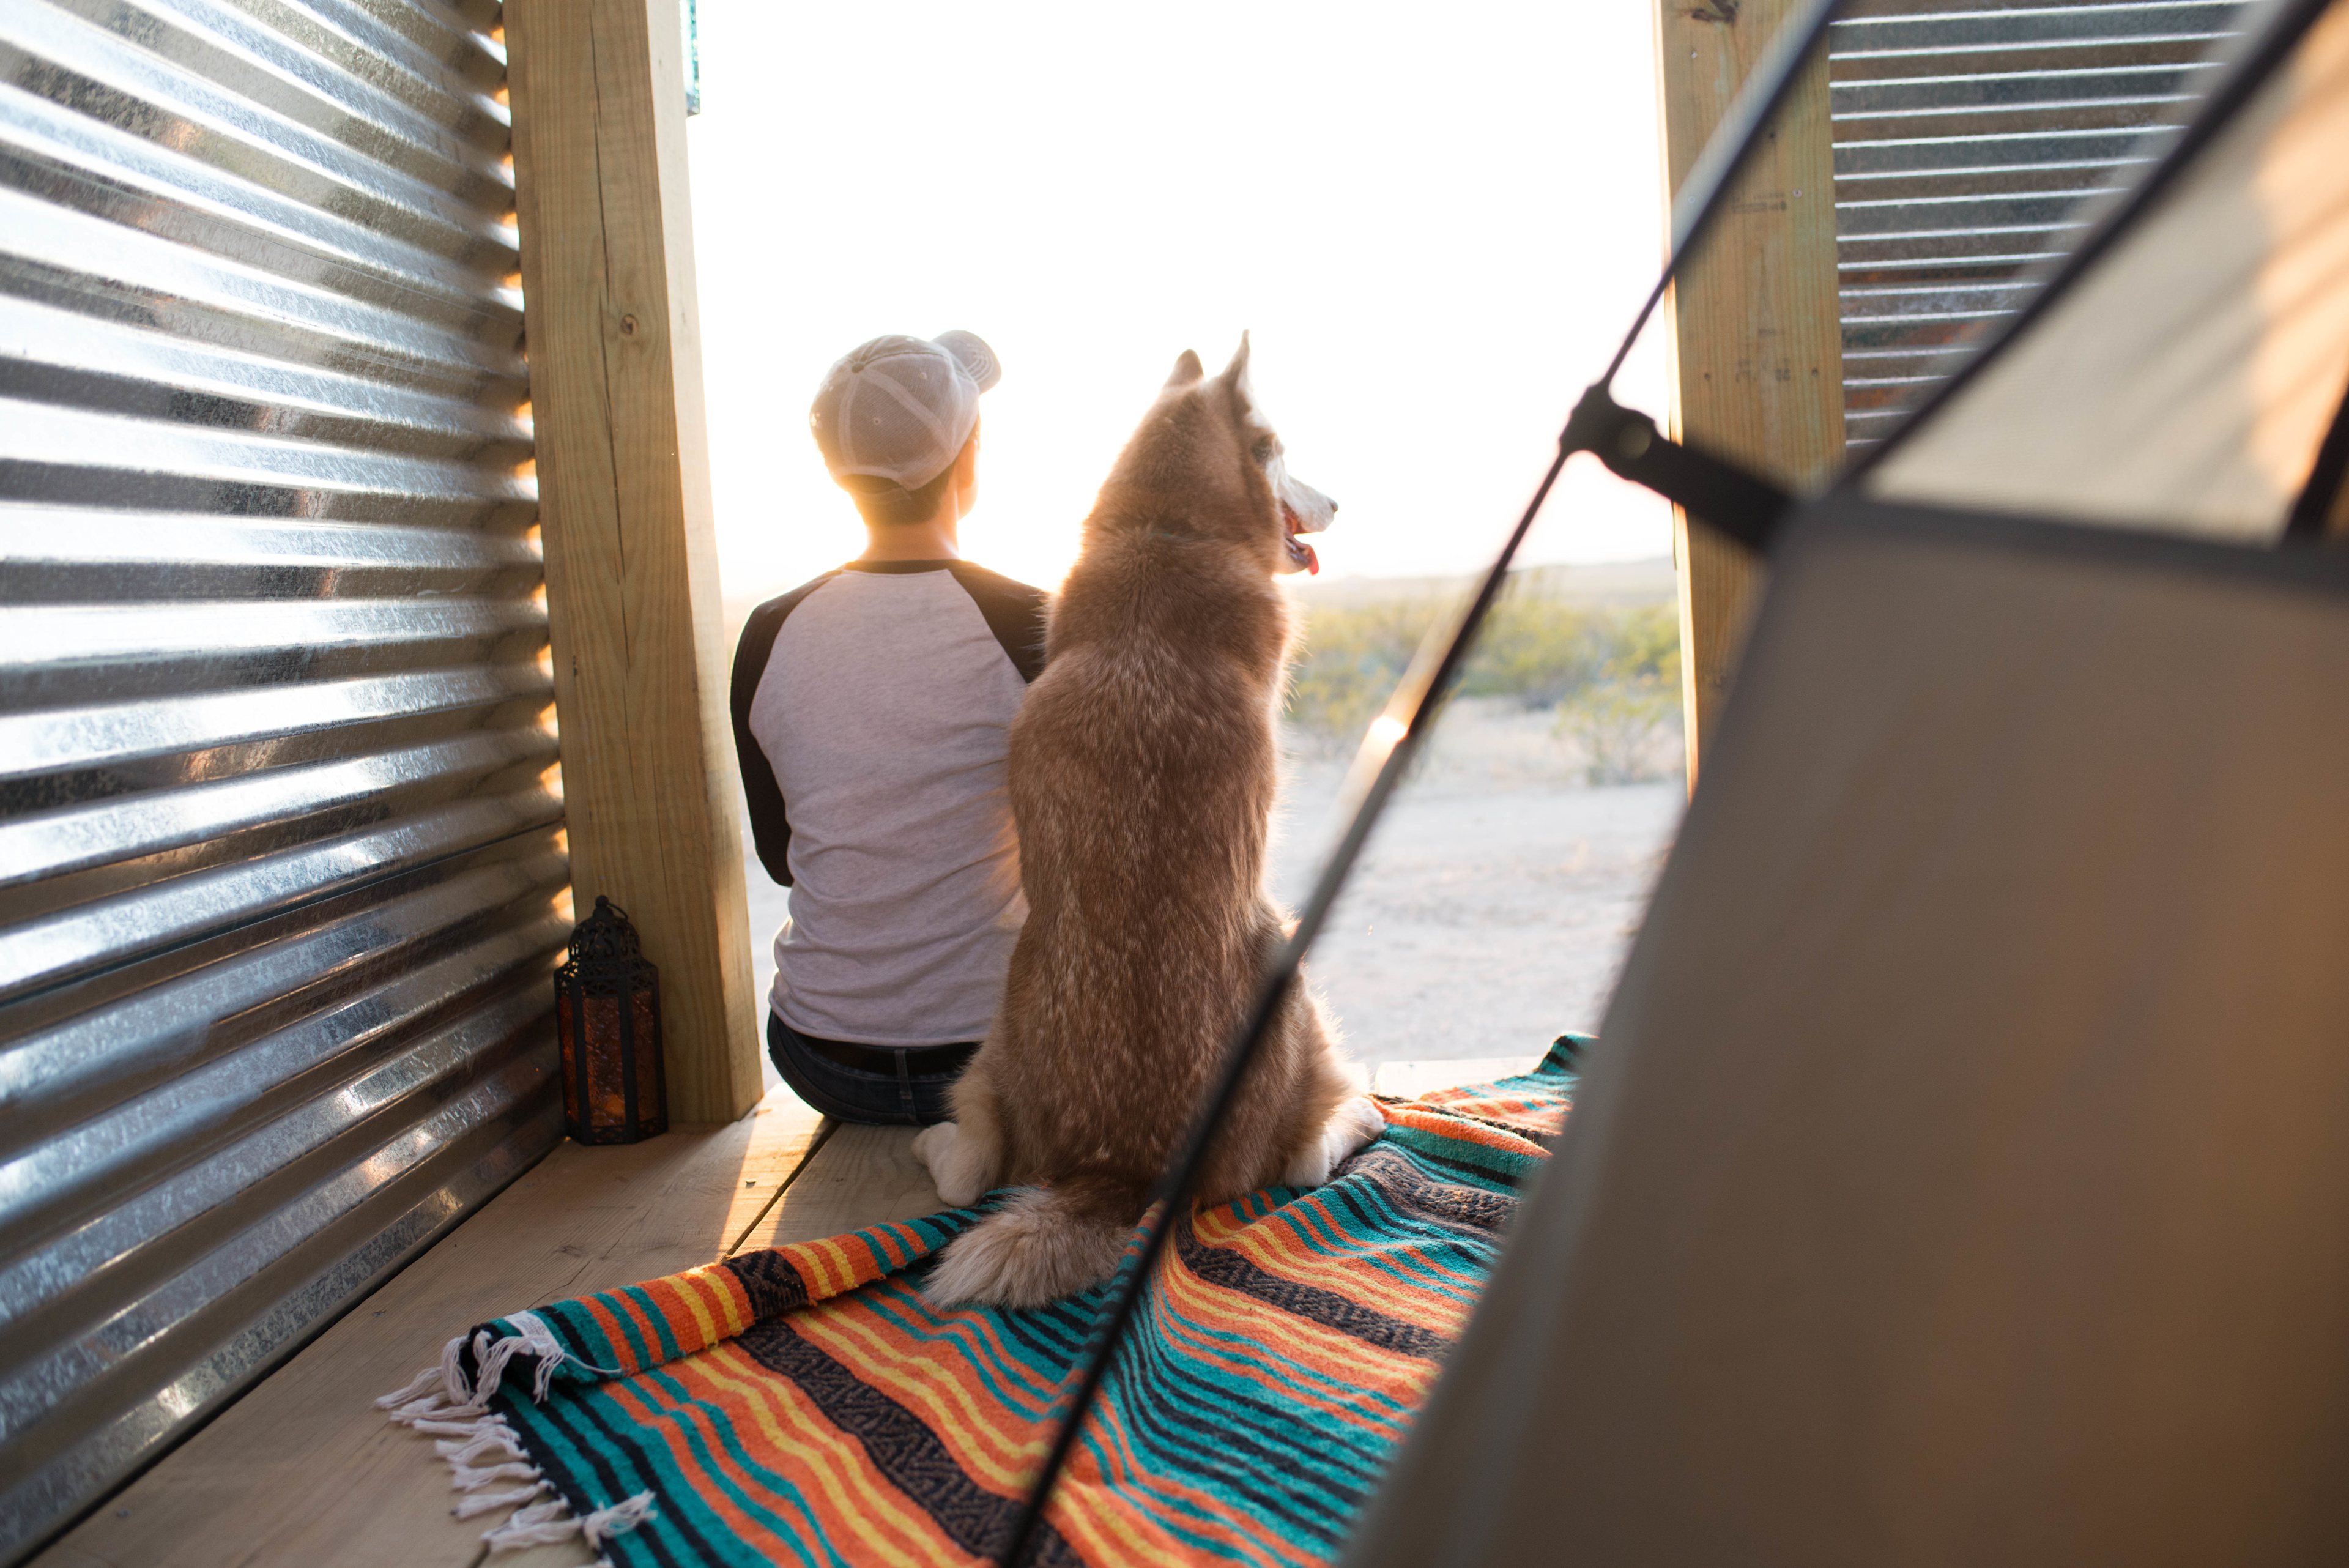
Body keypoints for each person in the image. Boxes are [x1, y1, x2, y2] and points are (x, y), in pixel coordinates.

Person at [730, 331, 1047, 1125]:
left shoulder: (771, 631)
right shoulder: (1034, 624)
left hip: (819, 1056)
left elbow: (780, 860)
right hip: (1002, 1063)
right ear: (969, 458)